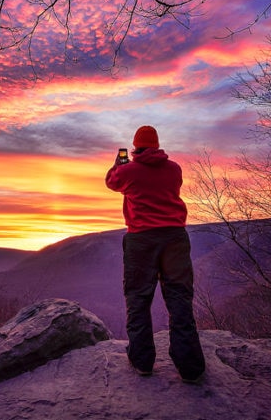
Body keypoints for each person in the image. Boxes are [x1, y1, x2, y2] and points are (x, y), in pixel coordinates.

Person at [105, 125, 205, 383]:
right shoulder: (174, 169)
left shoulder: (128, 171)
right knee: (180, 299)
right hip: (175, 238)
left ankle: (142, 361)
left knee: (138, 298)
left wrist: (118, 164)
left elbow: (111, 182)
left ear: (135, 146)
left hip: (141, 239)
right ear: (157, 145)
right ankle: (190, 367)